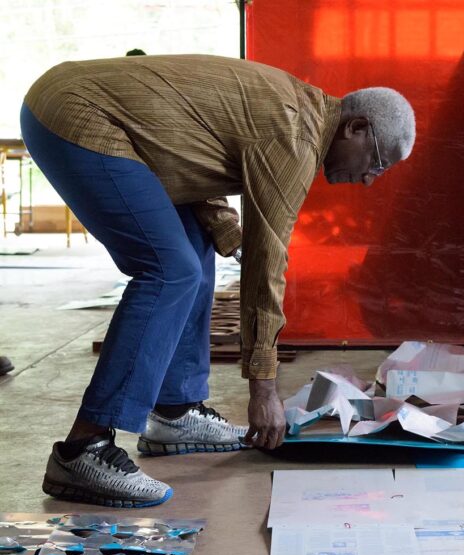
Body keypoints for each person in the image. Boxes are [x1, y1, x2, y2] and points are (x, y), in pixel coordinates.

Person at [20, 54, 415, 507]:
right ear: (356, 128)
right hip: (75, 116)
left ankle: (175, 411)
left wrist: (227, 230)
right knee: (170, 271)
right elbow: (267, 266)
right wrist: (263, 389)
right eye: (377, 163)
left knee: (194, 252)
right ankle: (83, 449)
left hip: (90, 110)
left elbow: (185, 149)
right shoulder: (294, 135)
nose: (369, 180)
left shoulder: (296, 110)